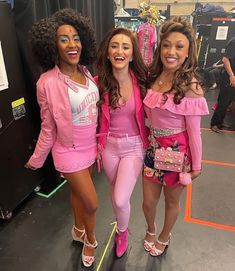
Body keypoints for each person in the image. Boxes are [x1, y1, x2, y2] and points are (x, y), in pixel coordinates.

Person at [24, 9, 99, 267]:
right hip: (69, 150)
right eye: (64, 39)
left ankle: (77, 230)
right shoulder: (47, 82)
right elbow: (48, 126)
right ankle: (90, 240)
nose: (72, 44)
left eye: (76, 38)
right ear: (52, 45)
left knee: (78, 194)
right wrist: (36, 159)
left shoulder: (87, 72)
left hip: (90, 147)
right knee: (92, 202)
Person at [142, 17, 209, 257]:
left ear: (188, 51)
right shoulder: (153, 77)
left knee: (171, 201)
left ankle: (164, 236)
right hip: (152, 149)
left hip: (176, 153)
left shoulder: (190, 86)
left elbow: (195, 132)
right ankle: (150, 230)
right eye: (167, 45)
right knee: (148, 202)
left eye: (179, 46)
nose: (171, 51)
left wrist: (197, 166)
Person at [95, 27, 149, 257]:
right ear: (108, 53)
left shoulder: (144, 82)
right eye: (114, 46)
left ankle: (123, 231)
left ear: (132, 54)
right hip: (108, 147)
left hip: (134, 146)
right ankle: (121, 219)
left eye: (125, 47)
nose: (120, 51)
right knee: (115, 191)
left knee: (120, 197)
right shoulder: (98, 84)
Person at [210, 37, 235, 133]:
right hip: (229, 77)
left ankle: (220, 122)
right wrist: (231, 75)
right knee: (224, 101)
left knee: (229, 102)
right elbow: (225, 59)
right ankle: (215, 124)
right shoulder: (233, 42)